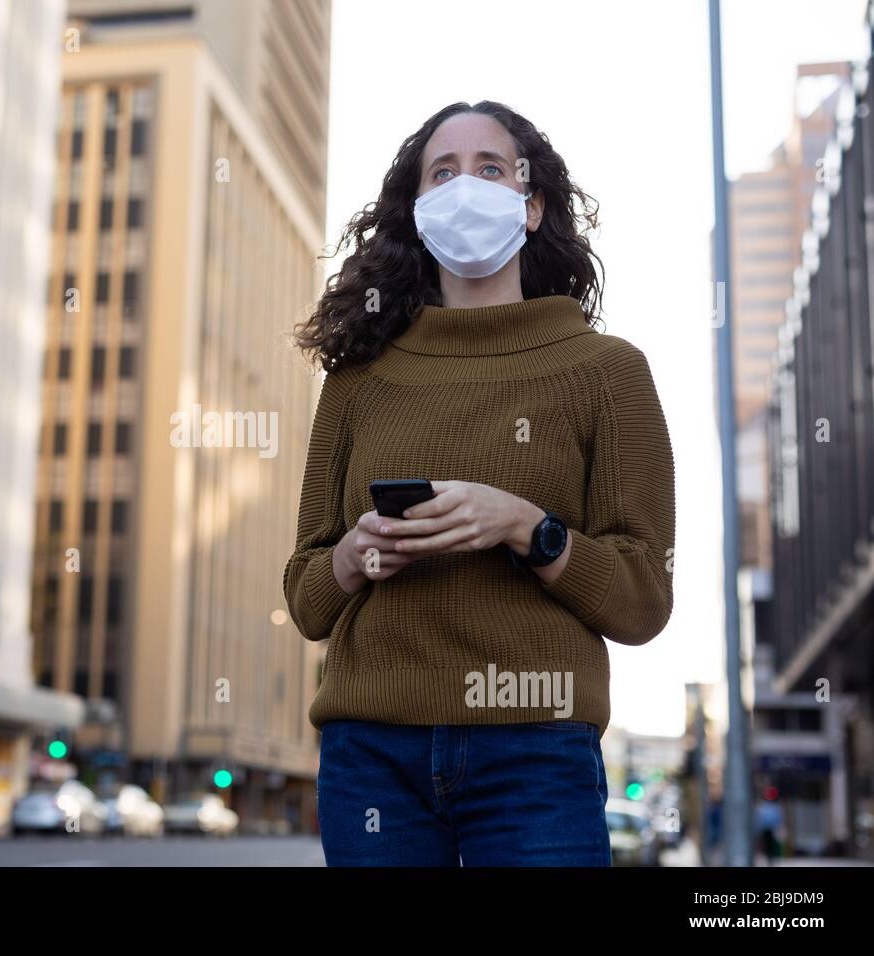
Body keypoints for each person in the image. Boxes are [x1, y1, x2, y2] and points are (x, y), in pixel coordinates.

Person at [284, 101, 676, 866]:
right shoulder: (358, 378)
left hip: (537, 755)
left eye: (491, 169)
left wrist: (526, 526)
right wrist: (358, 552)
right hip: (372, 759)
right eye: (444, 172)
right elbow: (305, 597)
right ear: (420, 210)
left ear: (530, 207)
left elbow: (642, 600)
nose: (467, 188)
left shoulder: (608, 372)